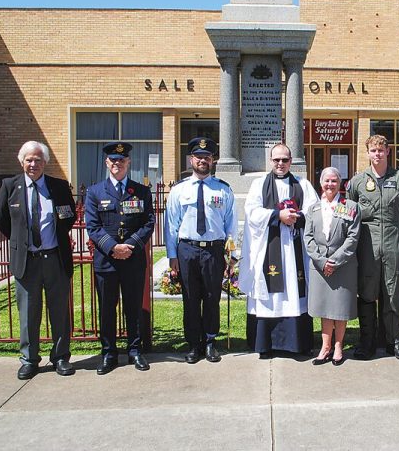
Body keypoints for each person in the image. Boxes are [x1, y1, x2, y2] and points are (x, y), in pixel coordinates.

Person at [0, 141, 77, 380]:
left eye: (38, 160)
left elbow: (68, 217)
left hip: (55, 258)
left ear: (45, 163)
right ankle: (29, 359)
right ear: (22, 162)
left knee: (59, 311)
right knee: (29, 313)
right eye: (29, 160)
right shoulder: (10, 186)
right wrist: (22, 242)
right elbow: (2, 220)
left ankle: (60, 357)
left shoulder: (59, 187)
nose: (34, 164)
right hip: (27, 261)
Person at [239, 144, 319, 358]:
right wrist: (278, 216)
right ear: (270, 161)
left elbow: (314, 210)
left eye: (285, 160)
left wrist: (297, 217)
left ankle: (296, 344)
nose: (280, 164)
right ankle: (266, 345)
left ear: (291, 161)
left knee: (295, 288)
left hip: (295, 248)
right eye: (276, 160)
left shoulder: (303, 184)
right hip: (269, 246)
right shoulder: (258, 185)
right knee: (269, 292)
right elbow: (252, 212)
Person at [85, 142, 155, 374]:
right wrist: (113, 247)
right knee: (107, 308)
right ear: (107, 163)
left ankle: (135, 351)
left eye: (121, 160)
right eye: (113, 160)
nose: (117, 163)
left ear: (129, 163)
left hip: (133, 260)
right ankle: (109, 353)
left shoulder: (141, 191)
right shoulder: (95, 192)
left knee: (133, 307)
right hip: (107, 261)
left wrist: (130, 246)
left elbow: (148, 223)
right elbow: (93, 227)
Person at [166, 138, 237, 364]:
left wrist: (232, 254)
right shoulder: (179, 190)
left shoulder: (223, 189)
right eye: (198, 157)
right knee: (190, 298)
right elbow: (171, 225)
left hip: (214, 251)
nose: (203, 161)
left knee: (211, 297)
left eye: (207, 157)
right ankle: (193, 344)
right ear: (191, 160)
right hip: (187, 249)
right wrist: (172, 255)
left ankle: (210, 342)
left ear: (213, 160)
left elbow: (231, 225)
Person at [346, 134, 399, 361]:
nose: (377, 154)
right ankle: (367, 341)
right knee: (366, 292)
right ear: (367, 153)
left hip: (393, 241)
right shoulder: (357, 182)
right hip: (367, 243)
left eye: (381, 150)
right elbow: (350, 212)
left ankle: (393, 341)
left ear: (388, 152)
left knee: (393, 291)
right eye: (373, 150)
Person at [304, 167, 361, 366]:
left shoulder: (350, 206)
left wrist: (334, 261)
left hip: (343, 267)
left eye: (334, 181)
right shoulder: (313, 208)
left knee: (339, 308)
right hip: (320, 268)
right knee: (324, 308)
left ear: (340, 183)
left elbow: (353, 238)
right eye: (326, 181)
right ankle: (325, 347)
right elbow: (308, 237)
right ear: (321, 183)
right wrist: (321, 261)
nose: (330, 185)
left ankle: (338, 346)